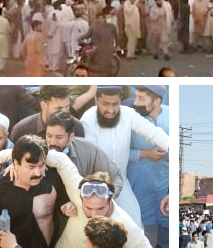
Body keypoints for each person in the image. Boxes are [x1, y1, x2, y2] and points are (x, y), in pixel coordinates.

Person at [81, 86, 169, 228]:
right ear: (96, 100)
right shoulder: (88, 119)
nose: (111, 110)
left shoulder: (128, 114)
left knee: (135, 222)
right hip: (96, 184)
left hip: (121, 180)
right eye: (105, 104)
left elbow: (153, 132)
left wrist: (172, 147)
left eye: (115, 104)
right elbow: (92, 157)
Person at [44, 151, 151, 247]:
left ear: (110, 200)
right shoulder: (76, 189)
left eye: (100, 208)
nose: (94, 215)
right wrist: (37, 159)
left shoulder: (124, 225)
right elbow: (61, 161)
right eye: (88, 208)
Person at [0, 135, 57, 248]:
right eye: (31, 167)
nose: (38, 173)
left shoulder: (54, 181)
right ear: (16, 163)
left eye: (41, 166)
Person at [128, 85, 169, 247]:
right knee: (146, 240)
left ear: (157, 101)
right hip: (140, 192)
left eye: (141, 98)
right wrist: (145, 154)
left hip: (165, 191)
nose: (136, 103)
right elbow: (118, 152)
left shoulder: (171, 114)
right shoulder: (131, 118)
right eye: (136, 97)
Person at [44, 110, 123, 193]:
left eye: (59, 137)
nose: (52, 142)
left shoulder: (88, 150)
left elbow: (115, 176)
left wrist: (105, 199)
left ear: (71, 136)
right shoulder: (39, 151)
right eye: (49, 136)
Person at [10, 85, 84, 141]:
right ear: (43, 105)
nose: (64, 112)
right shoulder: (21, 130)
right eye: (59, 108)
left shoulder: (76, 127)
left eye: (67, 107)